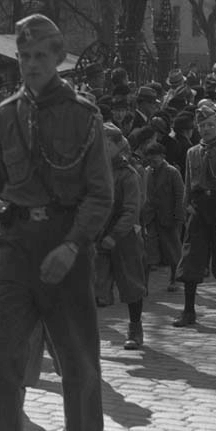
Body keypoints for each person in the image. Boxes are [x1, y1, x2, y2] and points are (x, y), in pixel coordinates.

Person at [0, 14, 111, 431]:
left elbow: (100, 194)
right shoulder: (4, 114)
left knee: (76, 361)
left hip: (64, 244)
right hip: (15, 246)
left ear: (58, 59)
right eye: (23, 56)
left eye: (40, 56)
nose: (31, 65)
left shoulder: (84, 116)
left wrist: (74, 244)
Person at [172, 105, 216, 327]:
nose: (206, 129)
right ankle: (188, 310)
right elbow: (188, 183)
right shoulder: (192, 152)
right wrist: (186, 208)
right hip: (198, 209)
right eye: (202, 125)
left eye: (210, 124)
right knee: (191, 258)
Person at [95, 122, 147, 350]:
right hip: (97, 235)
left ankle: (135, 329)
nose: (103, 148)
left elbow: (131, 210)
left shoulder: (128, 175)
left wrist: (114, 235)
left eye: (107, 144)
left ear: (118, 145)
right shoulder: (94, 172)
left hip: (123, 237)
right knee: (93, 286)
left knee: (131, 284)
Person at [139, 140, 184, 297]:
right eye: (150, 161)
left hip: (168, 217)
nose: (153, 164)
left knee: (172, 250)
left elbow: (180, 196)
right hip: (151, 217)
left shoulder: (173, 172)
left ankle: (174, 279)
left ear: (162, 157)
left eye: (155, 160)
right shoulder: (146, 172)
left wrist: (178, 217)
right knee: (147, 253)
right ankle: (144, 284)